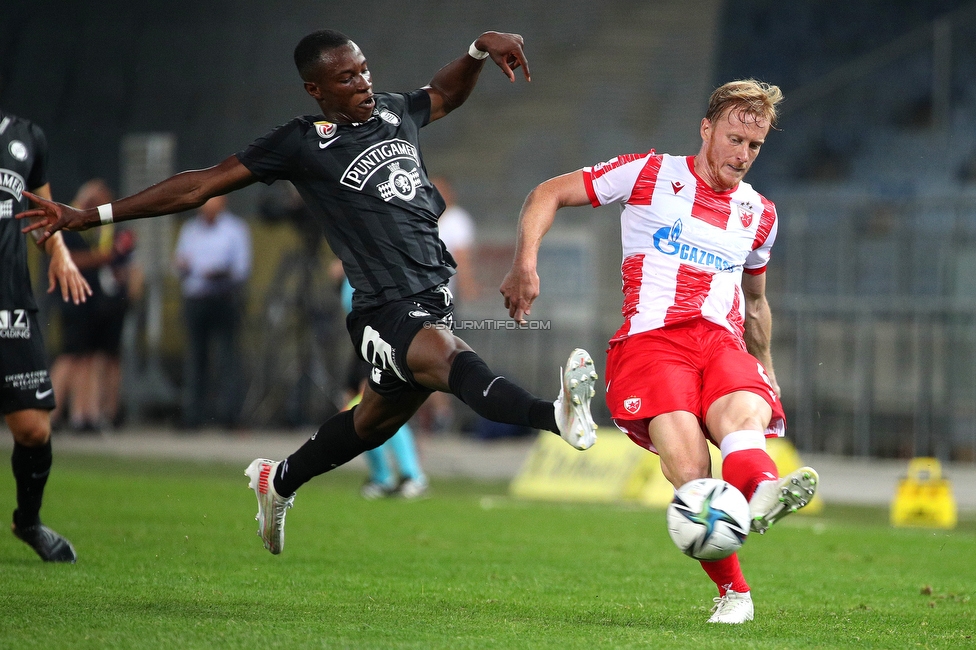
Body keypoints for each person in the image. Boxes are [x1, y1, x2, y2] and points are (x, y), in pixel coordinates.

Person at [18, 29, 599, 556]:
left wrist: (476, 51)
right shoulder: (300, 143)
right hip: (383, 308)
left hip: (432, 293)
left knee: (372, 423)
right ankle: (555, 415)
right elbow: (198, 186)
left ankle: (280, 481)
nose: (363, 83)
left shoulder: (395, 114)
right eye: (347, 78)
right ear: (315, 89)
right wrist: (91, 215)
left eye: (365, 69)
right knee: (450, 360)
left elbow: (443, 93)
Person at [500, 80, 819, 624]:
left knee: (744, 414)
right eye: (733, 138)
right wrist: (525, 262)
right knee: (690, 467)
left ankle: (762, 491)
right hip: (652, 343)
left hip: (720, 340)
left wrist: (765, 368)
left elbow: (756, 300)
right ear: (706, 128)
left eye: (755, 146)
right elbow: (547, 193)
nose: (742, 155)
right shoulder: (648, 172)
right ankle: (734, 592)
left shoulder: (759, 213)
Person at [1, 108, 91, 561]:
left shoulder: (26, 136)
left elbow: (43, 209)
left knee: (34, 428)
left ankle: (28, 521)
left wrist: (60, 252)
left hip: (10, 298)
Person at [50, 179, 138, 432]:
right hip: (71, 300)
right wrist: (100, 258)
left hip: (89, 301)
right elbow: (64, 259)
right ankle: (51, 413)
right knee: (70, 357)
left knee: (87, 359)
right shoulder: (67, 226)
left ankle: (83, 414)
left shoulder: (100, 229)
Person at [336, 273, 429, 499]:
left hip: (379, 340)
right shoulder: (354, 267)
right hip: (362, 341)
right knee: (362, 413)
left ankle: (410, 475)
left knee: (376, 410)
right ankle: (385, 477)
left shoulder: (373, 267)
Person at [173, 195, 251, 429]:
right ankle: (194, 415)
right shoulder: (189, 229)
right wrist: (183, 266)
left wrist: (218, 273)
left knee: (228, 358)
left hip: (224, 298)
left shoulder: (235, 229)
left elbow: (242, 269)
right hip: (196, 299)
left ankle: (229, 415)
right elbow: (178, 263)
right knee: (196, 358)